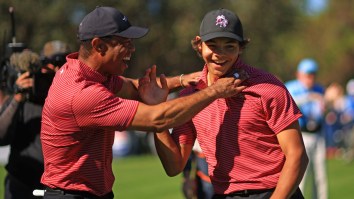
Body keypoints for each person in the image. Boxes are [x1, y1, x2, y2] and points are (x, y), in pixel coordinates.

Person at [40, 6, 246, 199]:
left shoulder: (92, 74)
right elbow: (158, 118)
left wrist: (184, 80)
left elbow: (140, 88)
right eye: (125, 43)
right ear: (99, 46)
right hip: (72, 195)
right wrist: (214, 91)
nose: (133, 49)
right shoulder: (83, 94)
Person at [153, 8, 308, 199]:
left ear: (241, 47)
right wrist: (157, 113)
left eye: (229, 46)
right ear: (199, 45)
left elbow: (297, 155)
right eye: (213, 45)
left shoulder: (268, 87)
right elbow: (174, 166)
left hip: (275, 193)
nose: (220, 54)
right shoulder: (190, 97)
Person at [0, 47, 69, 199]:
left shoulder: (64, 98)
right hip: (20, 185)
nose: (43, 80)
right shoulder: (20, 99)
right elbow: (1, 137)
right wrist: (18, 97)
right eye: (42, 74)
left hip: (57, 187)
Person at [285, 58, 328, 199]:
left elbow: (321, 113)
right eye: (307, 74)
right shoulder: (291, 87)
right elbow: (290, 105)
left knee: (320, 176)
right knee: (300, 175)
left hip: (317, 134)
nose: (310, 78)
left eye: (313, 74)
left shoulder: (319, 88)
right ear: (299, 74)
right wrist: (309, 97)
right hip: (300, 135)